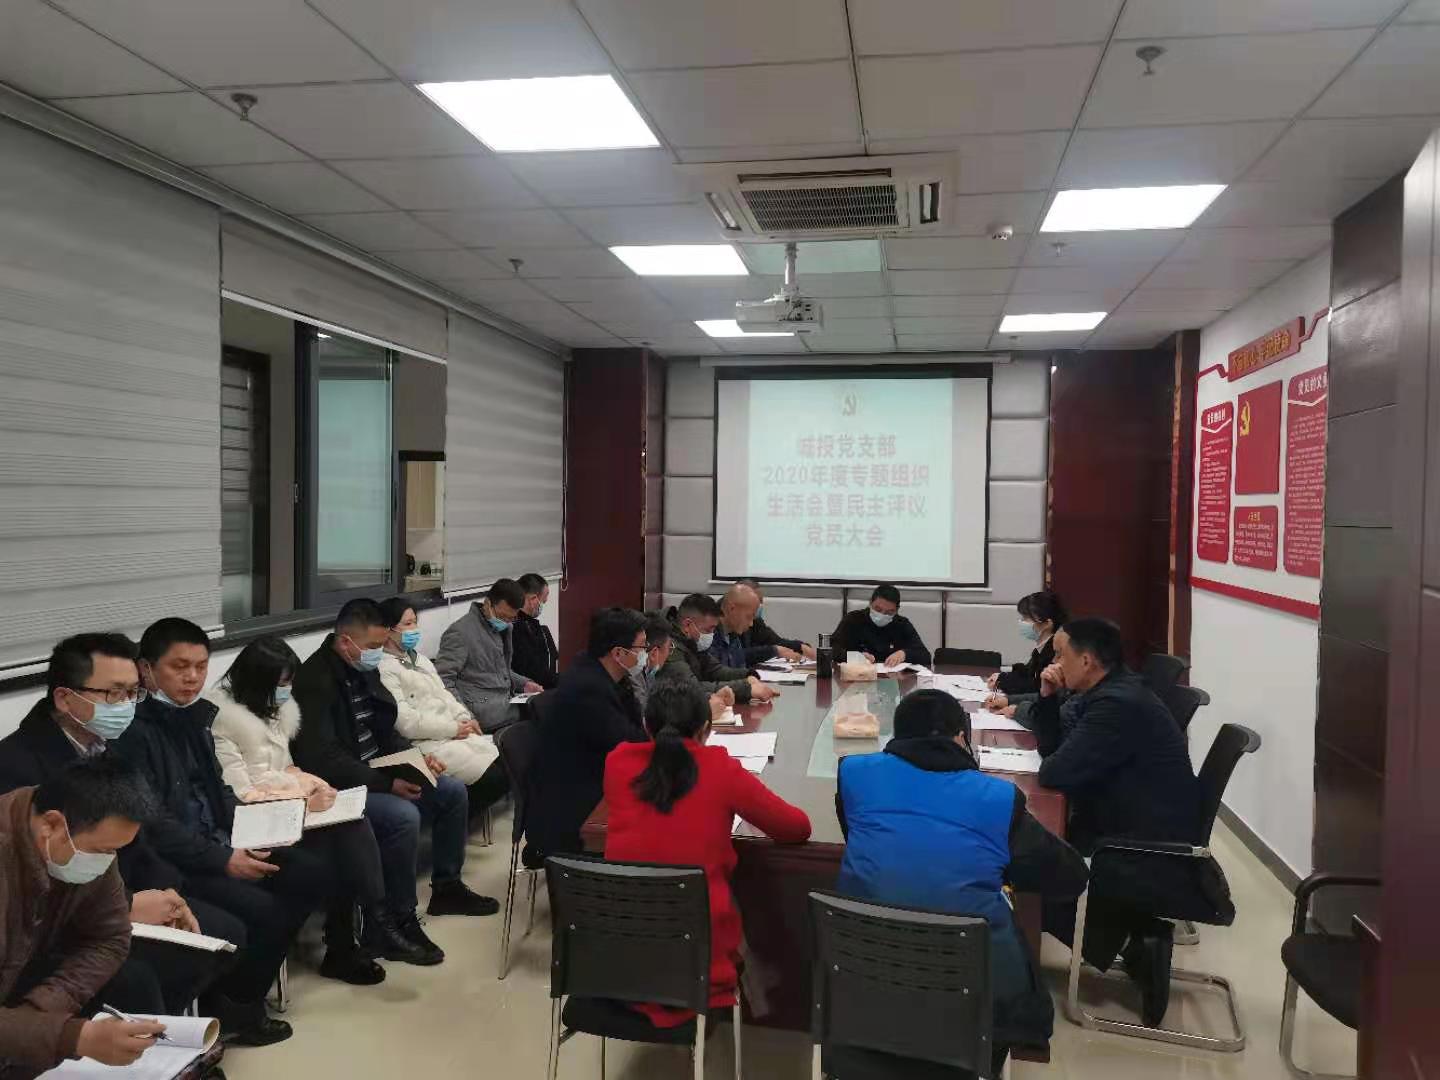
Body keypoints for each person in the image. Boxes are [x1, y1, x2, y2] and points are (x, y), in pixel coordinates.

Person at [110, 618, 335, 1045]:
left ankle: (240, 991)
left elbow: (220, 789)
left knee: (311, 872)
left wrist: (257, 827)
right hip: (179, 861)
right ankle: (237, 1005)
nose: (192, 677)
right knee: (264, 912)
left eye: (200, 666)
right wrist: (223, 858)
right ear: (146, 669)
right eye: (179, 666)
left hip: (220, 841)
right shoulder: (132, 733)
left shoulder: (196, 717)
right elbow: (155, 823)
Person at [0, 634, 247, 1018]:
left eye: (133, 693)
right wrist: (129, 905)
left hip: (116, 892)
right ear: (65, 698)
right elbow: (36, 877)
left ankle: (179, 1032)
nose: (126, 705)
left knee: (219, 933)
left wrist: (166, 890)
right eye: (114, 693)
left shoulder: (109, 746)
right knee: (142, 977)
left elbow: (136, 837)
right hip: (56, 920)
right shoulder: (15, 763)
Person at [834, 690, 1087, 1060]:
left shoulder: (853, 774)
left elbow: (857, 833)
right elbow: (1070, 877)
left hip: (863, 973)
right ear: (960, 738)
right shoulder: (998, 798)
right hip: (973, 996)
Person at [290, 599, 499, 968]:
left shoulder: (363, 668)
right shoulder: (315, 681)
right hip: (341, 786)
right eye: (372, 646)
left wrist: (414, 760)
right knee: (402, 817)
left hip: (379, 768)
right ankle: (394, 920)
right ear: (345, 641)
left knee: (450, 791)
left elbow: (386, 726)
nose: (378, 652)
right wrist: (385, 783)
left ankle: (447, 887)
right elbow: (324, 758)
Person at [207, 636, 425, 971]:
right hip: (254, 819)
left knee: (351, 824)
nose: (287, 691)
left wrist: (315, 786)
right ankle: (363, 932)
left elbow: (288, 767)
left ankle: (361, 931)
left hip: (286, 807)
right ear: (257, 682)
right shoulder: (224, 720)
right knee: (342, 840)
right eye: (281, 684)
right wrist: (305, 799)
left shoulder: (272, 709)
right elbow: (240, 792)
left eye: (289, 683)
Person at [604, 682, 811, 1027]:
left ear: (646, 726)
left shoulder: (617, 763)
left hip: (619, 955)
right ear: (706, 729)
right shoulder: (719, 768)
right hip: (697, 962)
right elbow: (796, 828)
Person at [1032, 617, 1201, 1027]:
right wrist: (1049, 698)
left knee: (1027, 870)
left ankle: (1136, 942)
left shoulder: (1117, 705)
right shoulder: (1111, 691)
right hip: (1125, 817)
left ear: (1087, 661)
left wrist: (1054, 720)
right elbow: (1057, 751)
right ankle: (1132, 939)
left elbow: (1054, 772)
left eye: (1061, 655)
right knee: (1031, 853)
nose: (1054, 663)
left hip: (1140, 838)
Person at [0, 756, 166, 1078]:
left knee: (138, 980)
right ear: (51, 824)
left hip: (23, 972)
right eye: (103, 850)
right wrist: (73, 1036)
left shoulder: (85, 837)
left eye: (116, 850)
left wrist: (40, 1012)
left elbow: (111, 937)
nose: (108, 861)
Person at [523, 607, 648, 869]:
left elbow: (634, 728)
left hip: (590, 779)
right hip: (573, 806)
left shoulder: (602, 671)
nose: (645, 654)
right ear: (618, 653)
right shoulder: (588, 688)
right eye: (642, 647)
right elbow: (630, 744)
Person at [375, 598, 509, 820]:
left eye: (415, 622)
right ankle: (456, 822)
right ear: (388, 630)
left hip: (454, 734)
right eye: (407, 624)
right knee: (493, 778)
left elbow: (444, 693)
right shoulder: (383, 668)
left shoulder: (420, 660)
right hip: (427, 742)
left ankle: (461, 817)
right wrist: (453, 728)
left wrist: (464, 718)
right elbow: (406, 722)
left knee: (508, 762)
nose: (414, 629)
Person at [434, 579, 542, 733]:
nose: (506, 622)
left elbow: (498, 670)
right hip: (482, 714)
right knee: (543, 716)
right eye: (502, 616)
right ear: (487, 603)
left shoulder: (504, 627)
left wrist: (524, 684)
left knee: (548, 707)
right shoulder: (460, 632)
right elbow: (442, 681)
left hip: (505, 704)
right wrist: (466, 717)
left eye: (512, 618)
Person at [656, 594, 780, 707]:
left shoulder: (692, 642)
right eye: (708, 630)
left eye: (713, 630)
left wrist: (747, 676)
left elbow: (715, 670)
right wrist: (746, 689)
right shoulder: (668, 646)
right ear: (688, 625)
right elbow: (690, 688)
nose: (711, 634)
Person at [828, 584, 932, 668]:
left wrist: (904, 654)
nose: (882, 615)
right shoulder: (853, 619)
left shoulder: (902, 624)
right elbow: (832, 651)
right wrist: (855, 657)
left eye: (889, 612)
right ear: (870, 603)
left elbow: (925, 656)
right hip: (857, 677)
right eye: (878, 609)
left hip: (892, 678)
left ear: (897, 610)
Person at [987, 591, 1067, 696]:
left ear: (1047, 624)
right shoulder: (1041, 648)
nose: (1022, 622)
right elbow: (1028, 674)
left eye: (1026, 618)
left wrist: (1003, 681)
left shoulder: (1054, 651)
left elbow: (1035, 688)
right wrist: (1002, 677)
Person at [735, 578, 816, 663]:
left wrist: (802, 647)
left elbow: (775, 641)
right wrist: (774, 651)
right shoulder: (731, 624)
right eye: (757, 602)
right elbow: (734, 656)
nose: (760, 606)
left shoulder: (756, 622)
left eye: (761, 602)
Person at [511, 572, 559, 689]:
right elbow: (536, 672)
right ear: (533, 599)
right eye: (543, 601)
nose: (543, 604)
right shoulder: (517, 629)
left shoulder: (529, 626)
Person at [706, 582, 764, 669]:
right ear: (732, 608)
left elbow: (740, 669)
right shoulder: (709, 637)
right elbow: (717, 674)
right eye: (749, 616)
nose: (751, 624)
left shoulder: (733, 637)